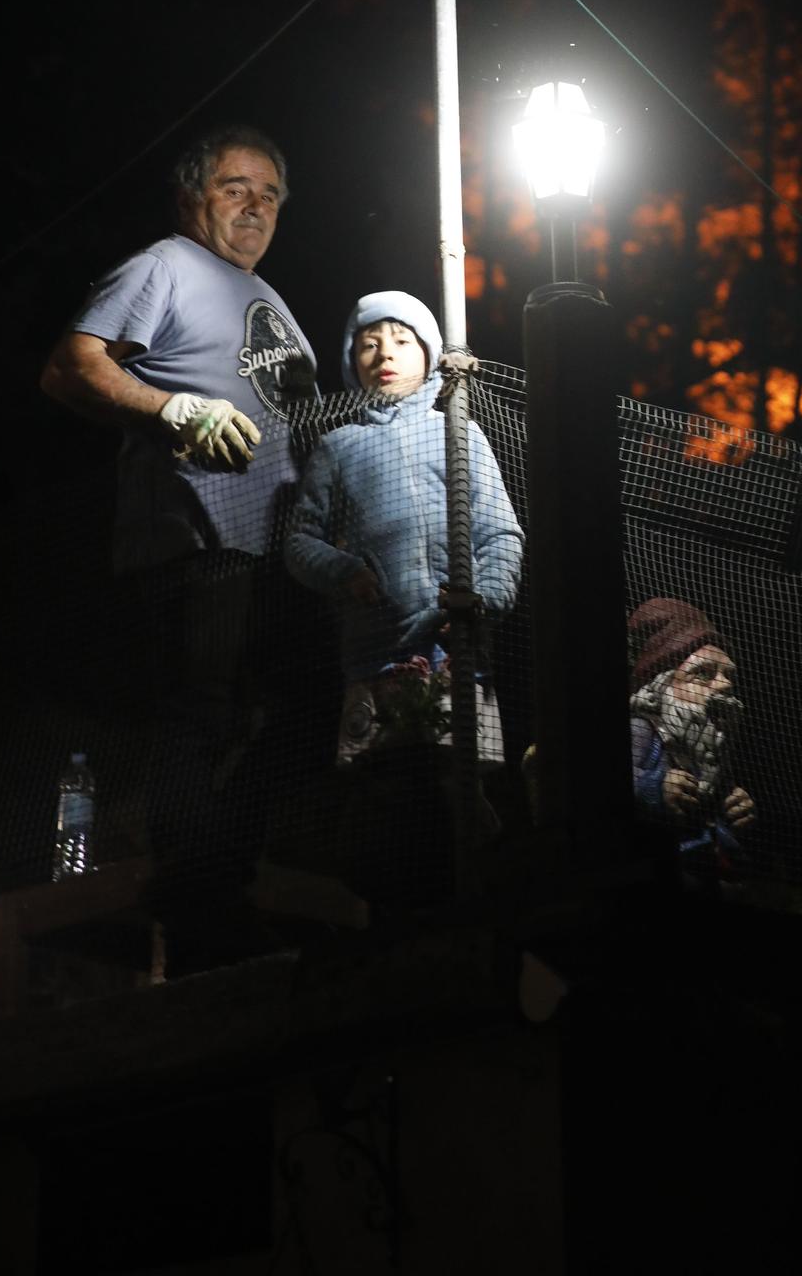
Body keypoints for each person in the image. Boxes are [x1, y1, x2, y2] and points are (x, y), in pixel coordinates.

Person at [40, 125, 327, 964]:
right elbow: (69, 367)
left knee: (302, 717)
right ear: (190, 197)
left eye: (269, 194)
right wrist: (172, 411)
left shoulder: (270, 300)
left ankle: (213, 877)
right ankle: (197, 901)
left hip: (282, 555)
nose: (255, 206)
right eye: (235, 187)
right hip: (196, 546)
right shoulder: (164, 265)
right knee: (201, 719)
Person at [284, 290, 524, 769]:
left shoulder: (459, 431)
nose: (385, 353)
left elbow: (501, 534)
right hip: (376, 654)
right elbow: (299, 540)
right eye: (368, 344)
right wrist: (344, 570)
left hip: (458, 652)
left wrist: (485, 598)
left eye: (401, 340)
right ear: (352, 361)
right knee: (389, 793)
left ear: (430, 355)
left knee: (464, 788)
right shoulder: (338, 446)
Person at [628, 596, 756, 886]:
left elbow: (713, 799)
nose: (724, 685)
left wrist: (735, 806)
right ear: (660, 687)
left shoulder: (709, 746)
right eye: (703, 674)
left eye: (728, 675)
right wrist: (654, 787)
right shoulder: (641, 730)